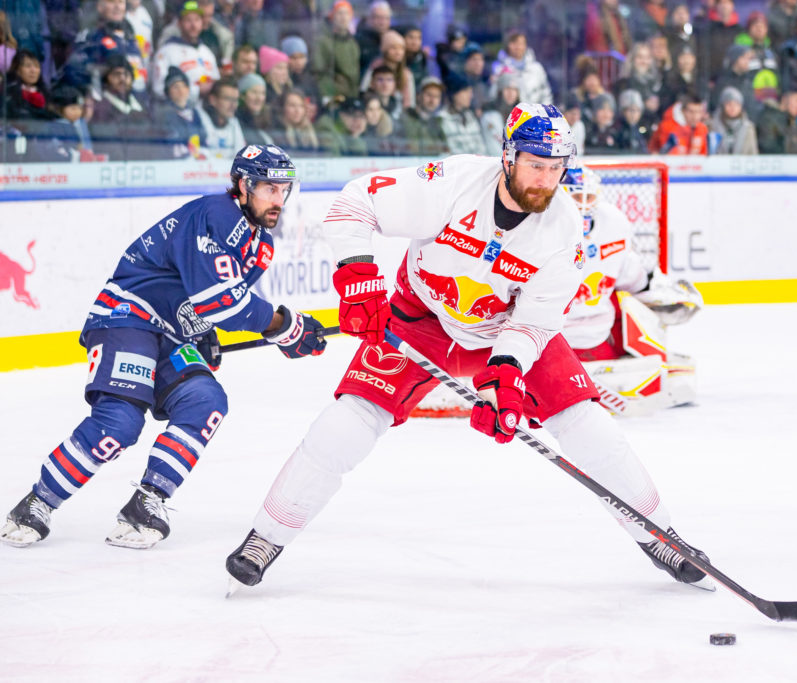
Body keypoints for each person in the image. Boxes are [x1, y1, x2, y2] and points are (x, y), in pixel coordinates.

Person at [223, 103, 713, 592]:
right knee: (348, 421)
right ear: (507, 155)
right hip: (418, 322)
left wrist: (505, 373)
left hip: (503, 333)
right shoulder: (451, 183)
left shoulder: (566, 233)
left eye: (556, 167)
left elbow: (536, 321)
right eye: (535, 164)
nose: (546, 178)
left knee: (586, 422)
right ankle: (266, 537)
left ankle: (660, 535)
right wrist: (358, 279)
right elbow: (356, 202)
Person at [0, 145, 328, 549]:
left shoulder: (261, 245)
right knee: (120, 421)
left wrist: (202, 332)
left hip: (171, 334)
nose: (278, 200)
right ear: (242, 185)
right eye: (268, 189)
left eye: (284, 190)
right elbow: (221, 301)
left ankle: (146, 504)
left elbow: (206, 301)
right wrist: (286, 327)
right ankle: (36, 503)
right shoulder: (216, 214)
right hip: (128, 317)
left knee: (205, 402)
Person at [560, 165, 702, 413]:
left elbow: (632, 277)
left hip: (598, 336)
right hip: (553, 340)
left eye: (588, 197)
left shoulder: (613, 224)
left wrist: (661, 296)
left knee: (680, 377)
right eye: (575, 197)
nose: (582, 205)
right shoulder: (539, 228)